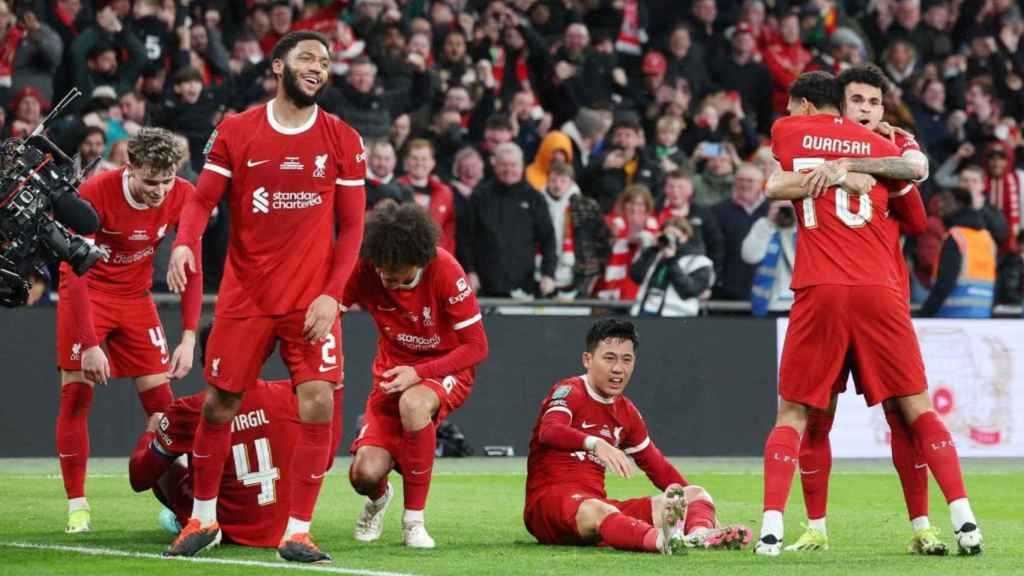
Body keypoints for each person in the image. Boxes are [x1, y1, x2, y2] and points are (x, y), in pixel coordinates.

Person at [755, 71, 982, 557]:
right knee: (845, 415)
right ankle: (825, 527)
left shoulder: (840, 144)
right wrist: (868, 164)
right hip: (877, 293)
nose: (864, 108)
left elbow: (774, 184)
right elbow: (918, 204)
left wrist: (859, 164)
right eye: (855, 99)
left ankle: (924, 525)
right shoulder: (891, 153)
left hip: (834, 290)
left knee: (853, 414)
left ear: (883, 108)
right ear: (840, 105)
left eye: (872, 101)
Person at [164, 30, 366, 563]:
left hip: (309, 303)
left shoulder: (342, 138)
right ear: (277, 66)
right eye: (307, 58)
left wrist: (332, 294)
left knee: (319, 398)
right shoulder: (236, 130)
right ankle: (202, 519)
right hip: (246, 297)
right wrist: (184, 243)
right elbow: (201, 200)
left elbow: (352, 230)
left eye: (325, 61)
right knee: (219, 403)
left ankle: (297, 532)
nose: (319, 68)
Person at [55, 127, 200, 534]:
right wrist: (88, 343)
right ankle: (77, 506)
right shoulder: (95, 192)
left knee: (164, 410)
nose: (160, 191)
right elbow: (74, 270)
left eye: (167, 180)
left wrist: (188, 336)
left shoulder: (184, 194)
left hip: (136, 300)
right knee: (77, 396)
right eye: (150, 181)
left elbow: (193, 264)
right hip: (88, 293)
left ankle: (183, 501)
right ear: (129, 167)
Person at [524, 318, 750, 554]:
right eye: (609, 358)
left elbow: (658, 468)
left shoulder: (626, 412)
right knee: (599, 510)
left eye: (626, 359)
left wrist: (695, 509)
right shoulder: (570, 390)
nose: (618, 369)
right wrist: (595, 443)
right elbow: (549, 431)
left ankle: (699, 535)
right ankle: (664, 542)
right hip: (548, 507)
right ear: (587, 360)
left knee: (695, 493)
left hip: (598, 508)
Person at [344, 203, 489, 548]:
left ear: (419, 259)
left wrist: (419, 373)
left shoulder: (445, 271)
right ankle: (379, 500)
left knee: (414, 403)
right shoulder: (370, 266)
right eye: (380, 266)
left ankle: (414, 522)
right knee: (363, 475)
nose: (384, 275)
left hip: (445, 369)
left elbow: (477, 347)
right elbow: (335, 303)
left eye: (394, 269)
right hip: (391, 376)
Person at [128, 323, 345, 547]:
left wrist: (151, 432)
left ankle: (199, 520)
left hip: (227, 526)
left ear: (207, 359)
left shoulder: (189, 410)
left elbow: (139, 477)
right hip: (280, 530)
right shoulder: (289, 395)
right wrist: (335, 391)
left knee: (168, 460)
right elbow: (323, 460)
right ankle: (296, 530)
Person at [919, 187, 997, 318]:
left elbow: (945, 282)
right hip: (982, 314)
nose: (940, 204)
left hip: (954, 316)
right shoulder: (987, 238)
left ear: (960, 204)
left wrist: (925, 314)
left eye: (945, 200)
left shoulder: (955, 237)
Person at [629, 218, 715, 317]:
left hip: (677, 315)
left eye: (674, 235)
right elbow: (635, 276)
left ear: (685, 236)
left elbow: (689, 290)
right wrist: (652, 249)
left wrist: (672, 260)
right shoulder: (657, 253)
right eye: (667, 235)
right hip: (644, 310)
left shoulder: (699, 260)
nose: (670, 239)